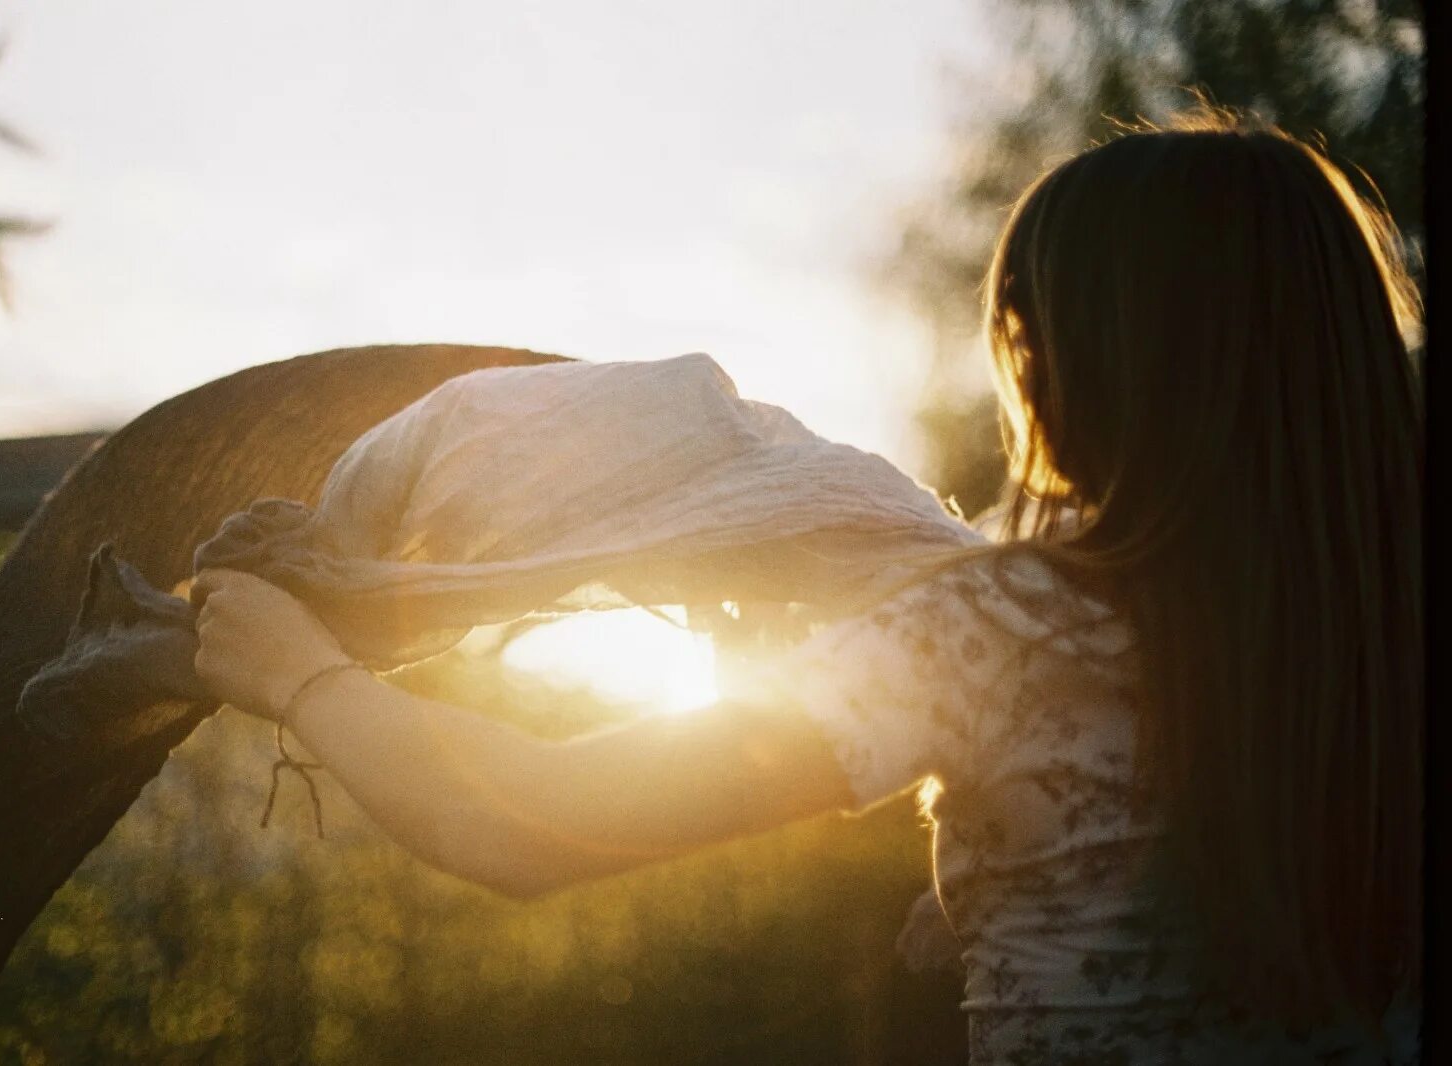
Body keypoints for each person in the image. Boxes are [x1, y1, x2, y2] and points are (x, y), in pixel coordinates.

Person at [192, 107, 1422, 1064]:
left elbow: (523, 821)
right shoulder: (1390, 631)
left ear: (1110, 367)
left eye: (1033, 333)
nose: (1026, 375)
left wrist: (299, 673)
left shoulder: (1009, 628)